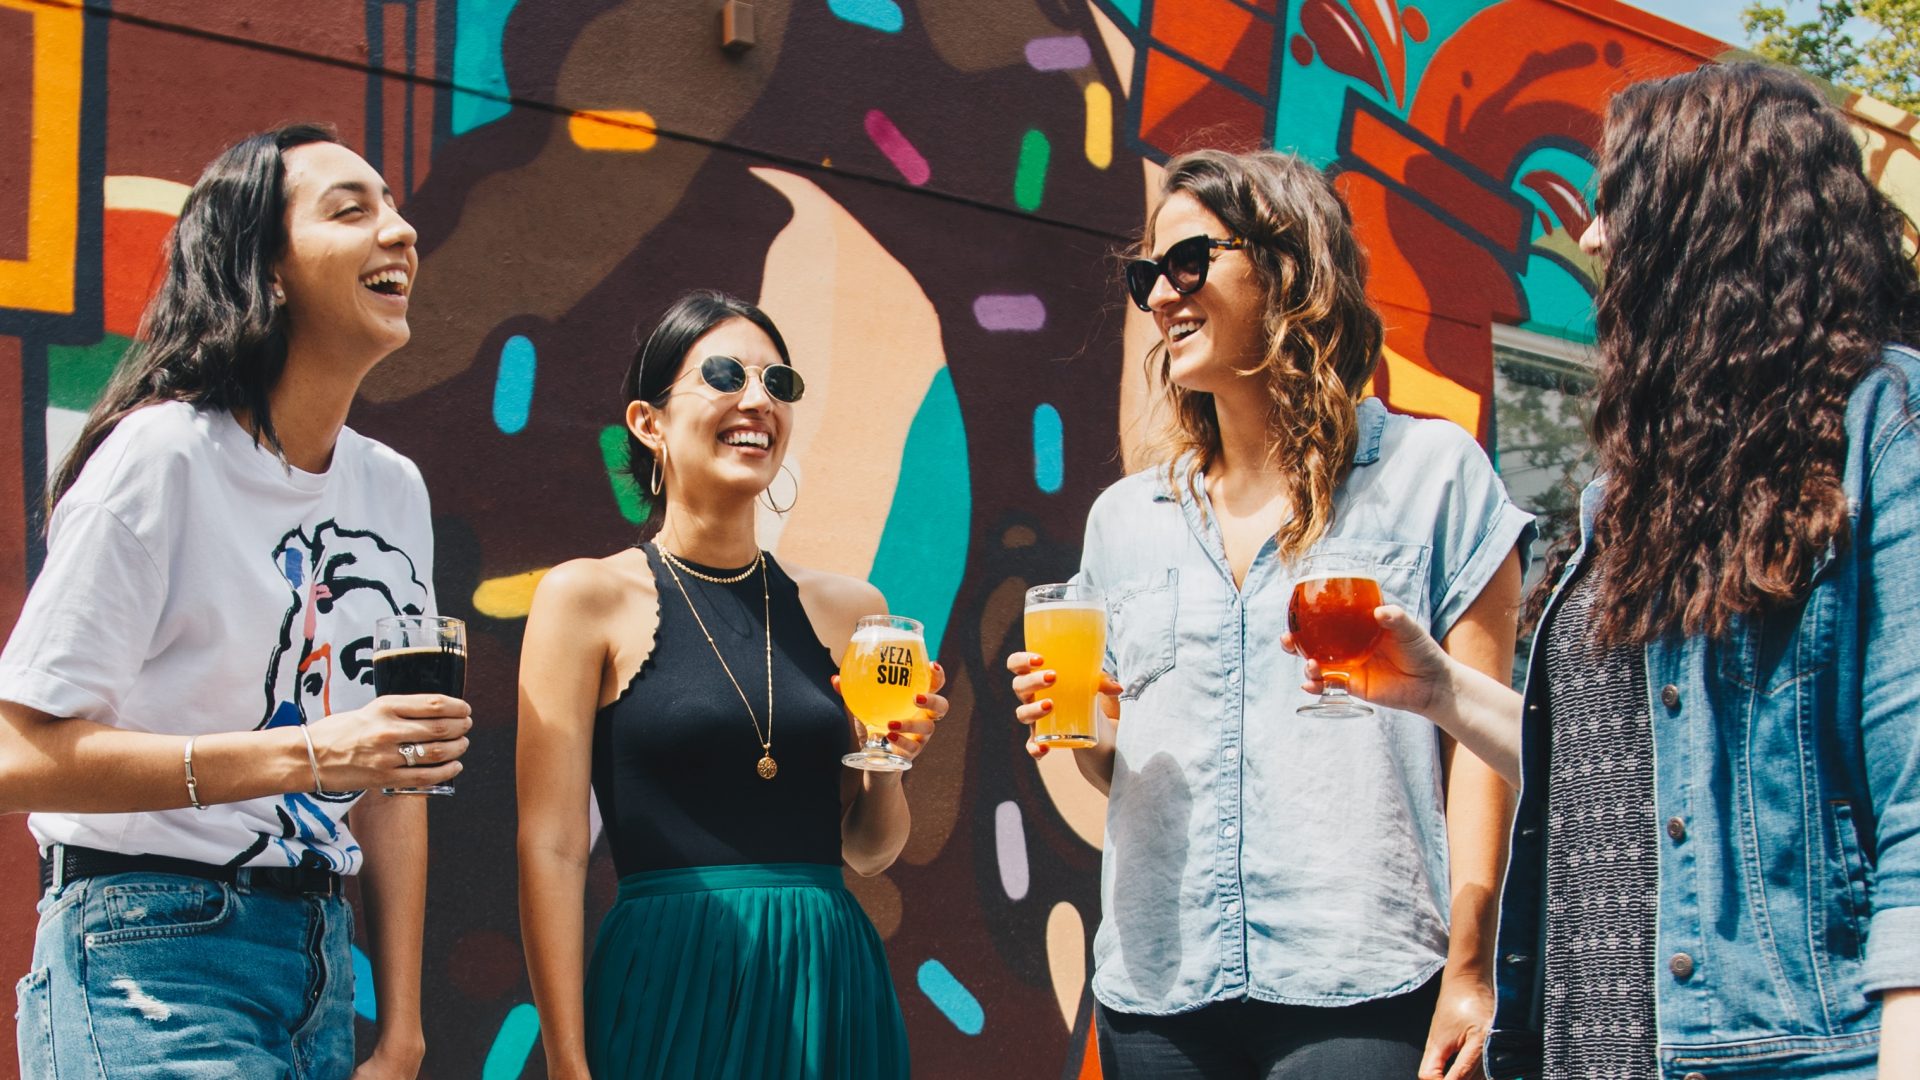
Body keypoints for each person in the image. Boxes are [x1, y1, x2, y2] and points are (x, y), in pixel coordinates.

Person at [1288, 62, 1920, 1080]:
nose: (1590, 236)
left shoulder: (1879, 431)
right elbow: (1616, 779)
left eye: (1618, 200)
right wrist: (1442, 691)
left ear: (1710, 215)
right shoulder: (1642, 491)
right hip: (1599, 1041)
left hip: (1777, 1054)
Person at [1007, 148, 1533, 1079]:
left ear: (1289, 265)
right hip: (1158, 993)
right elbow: (1121, 772)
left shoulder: (1433, 477)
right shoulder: (1124, 520)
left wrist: (1472, 967)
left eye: (1188, 263)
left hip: (1364, 984)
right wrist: (1080, 731)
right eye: (1147, 277)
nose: (1162, 297)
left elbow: (1485, 749)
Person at [0, 124, 469, 1079]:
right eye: (352, 210)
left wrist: (406, 1028)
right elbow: (16, 756)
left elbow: (391, 779)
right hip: (148, 949)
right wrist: (307, 754)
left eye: (395, 206)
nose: (400, 231)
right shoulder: (162, 456)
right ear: (272, 269)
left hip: (318, 969)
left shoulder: (393, 490)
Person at [516, 290, 941, 1080]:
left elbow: (871, 851)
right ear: (649, 423)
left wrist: (892, 761)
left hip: (828, 981)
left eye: (779, 383)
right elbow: (551, 845)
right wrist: (568, 1062)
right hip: (668, 979)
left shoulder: (858, 611)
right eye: (724, 374)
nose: (758, 400)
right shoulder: (585, 597)